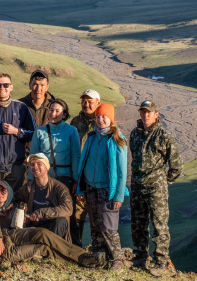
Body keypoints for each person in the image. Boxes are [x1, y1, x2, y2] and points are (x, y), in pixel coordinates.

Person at [0, 192, 104, 267]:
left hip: (6, 237)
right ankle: (83, 262)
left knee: (42, 233)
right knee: (42, 249)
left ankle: (83, 256)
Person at [0, 179, 105, 267]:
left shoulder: (15, 207)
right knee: (44, 248)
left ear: (8, 193)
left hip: (18, 237)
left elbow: (24, 224)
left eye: (3, 191)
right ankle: (82, 259)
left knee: (43, 235)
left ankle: (84, 257)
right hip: (4, 247)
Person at [129, 100, 183, 276]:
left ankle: (161, 261)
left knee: (159, 225)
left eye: (149, 112)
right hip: (137, 187)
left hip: (156, 189)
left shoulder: (164, 136)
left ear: (156, 114)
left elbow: (176, 166)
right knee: (138, 223)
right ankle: (139, 257)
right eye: (143, 112)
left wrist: (163, 182)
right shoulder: (134, 134)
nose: (146, 115)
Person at [76, 103, 128, 273]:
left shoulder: (117, 139)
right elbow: (84, 163)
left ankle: (116, 260)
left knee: (108, 227)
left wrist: (119, 196)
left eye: (104, 116)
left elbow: (122, 171)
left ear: (111, 118)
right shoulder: (91, 137)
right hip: (91, 187)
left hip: (108, 191)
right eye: (98, 116)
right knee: (95, 226)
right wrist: (81, 189)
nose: (100, 119)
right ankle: (100, 257)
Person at [28, 98, 81, 244]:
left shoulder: (71, 131)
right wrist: (30, 177)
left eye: (57, 111)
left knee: (68, 211)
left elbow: (76, 156)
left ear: (64, 114)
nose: (53, 113)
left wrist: (76, 179)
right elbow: (33, 156)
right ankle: (48, 242)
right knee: (47, 209)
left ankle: (75, 244)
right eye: (51, 110)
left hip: (65, 177)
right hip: (45, 178)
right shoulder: (40, 132)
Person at [0, 73, 36, 195]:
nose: (2, 88)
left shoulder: (21, 108)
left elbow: (33, 133)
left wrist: (16, 131)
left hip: (15, 168)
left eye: (5, 85)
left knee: (14, 203)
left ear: (11, 87)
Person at [16, 153, 73, 241]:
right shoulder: (28, 187)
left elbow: (68, 208)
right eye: (32, 165)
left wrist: (42, 213)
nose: (35, 167)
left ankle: (53, 251)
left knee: (61, 220)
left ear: (46, 167)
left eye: (39, 164)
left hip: (52, 226)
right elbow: (15, 199)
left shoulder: (59, 188)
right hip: (35, 226)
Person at [69, 88, 101, 244]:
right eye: (84, 101)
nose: (86, 104)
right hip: (79, 176)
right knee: (77, 214)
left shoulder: (102, 122)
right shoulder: (75, 122)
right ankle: (77, 247)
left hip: (97, 176)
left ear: (98, 103)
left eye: (90, 101)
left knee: (97, 215)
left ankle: (98, 249)